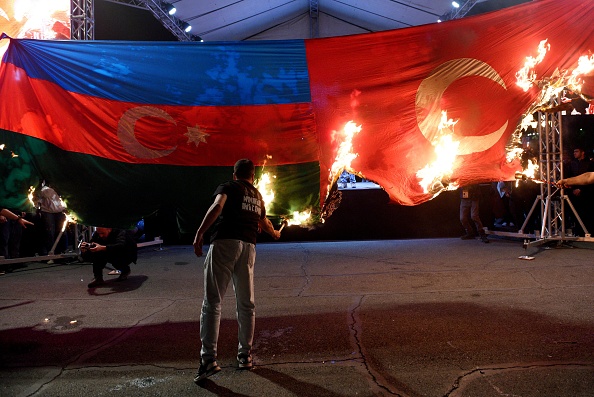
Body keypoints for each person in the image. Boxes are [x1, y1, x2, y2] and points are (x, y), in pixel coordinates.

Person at [192, 159, 280, 384]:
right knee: (246, 303)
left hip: (225, 243)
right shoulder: (257, 196)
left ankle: (209, 359)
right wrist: (275, 234)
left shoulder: (228, 187)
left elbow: (218, 206)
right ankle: (245, 355)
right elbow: (265, 223)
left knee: (212, 302)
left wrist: (200, 232)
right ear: (253, 176)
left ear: (235, 174)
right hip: (248, 247)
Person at [36, 181, 67, 255]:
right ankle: (50, 251)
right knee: (50, 232)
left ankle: (60, 251)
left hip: (60, 212)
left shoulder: (61, 189)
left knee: (61, 231)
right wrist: (38, 210)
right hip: (47, 212)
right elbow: (39, 201)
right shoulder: (44, 190)